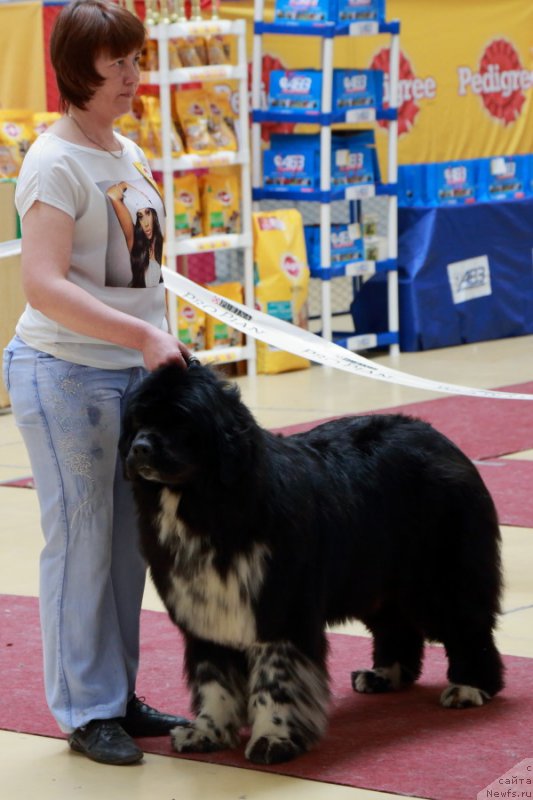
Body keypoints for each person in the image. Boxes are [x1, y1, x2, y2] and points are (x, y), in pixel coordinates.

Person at [2, 0, 192, 766]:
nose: (132, 75)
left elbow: (135, 270)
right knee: (81, 541)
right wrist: (144, 333)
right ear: (77, 69)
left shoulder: (126, 151)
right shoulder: (53, 162)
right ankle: (84, 709)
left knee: (126, 544)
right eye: (116, 63)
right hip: (65, 373)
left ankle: (113, 694)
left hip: (126, 376)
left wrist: (160, 326)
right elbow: (43, 285)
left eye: (136, 59)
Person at [106, 181, 163, 287]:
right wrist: (128, 186)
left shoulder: (161, 242)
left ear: (154, 215)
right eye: (140, 216)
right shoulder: (136, 242)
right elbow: (112, 193)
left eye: (147, 213)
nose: (145, 224)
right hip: (137, 301)